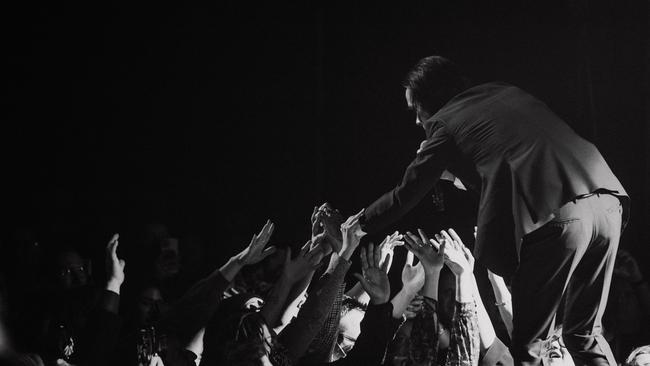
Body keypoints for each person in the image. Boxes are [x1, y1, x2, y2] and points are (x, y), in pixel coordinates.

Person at [352, 56, 629, 366]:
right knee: (583, 334)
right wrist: (455, 176)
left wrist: (359, 224)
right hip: (607, 201)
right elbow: (511, 165)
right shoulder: (502, 92)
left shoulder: (444, 123)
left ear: (430, 102)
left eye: (416, 111)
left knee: (529, 347)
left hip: (560, 217)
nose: (418, 122)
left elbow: (406, 194)